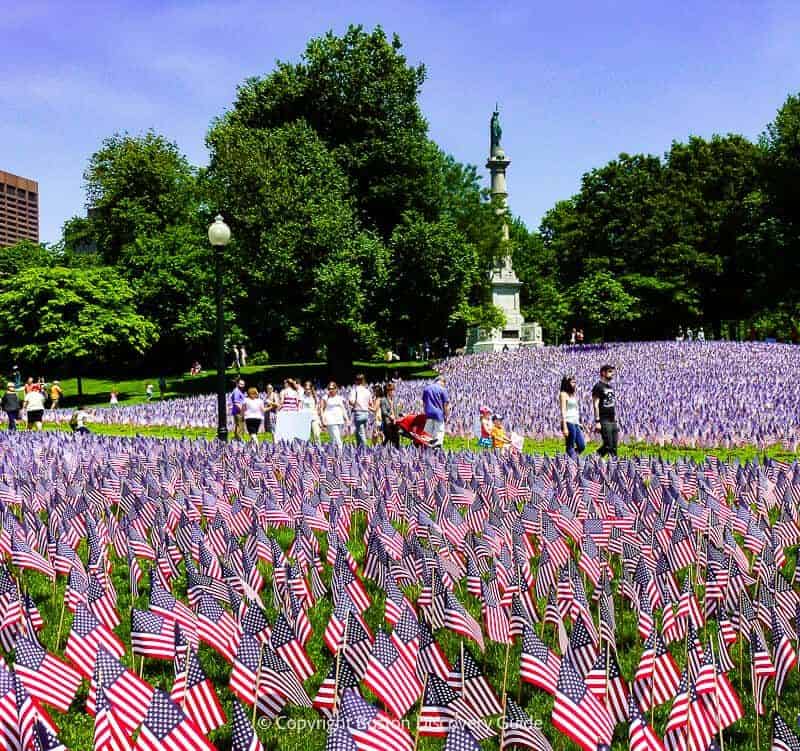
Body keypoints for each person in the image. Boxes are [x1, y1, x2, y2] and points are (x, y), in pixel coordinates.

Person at [592, 364, 618, 458]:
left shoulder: (609, 388)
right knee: (608, 446)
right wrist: (597, 421)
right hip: (604, 420)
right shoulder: (598, 387)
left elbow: (611, 404)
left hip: (612, 420)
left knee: (614, 448)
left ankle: (614, 467)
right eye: (610, 371)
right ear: (603, 373)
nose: (612, 374)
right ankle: (592, 459)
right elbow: (595, 405)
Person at [559, 375, 585, 458]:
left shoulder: (573, 395)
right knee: (570, 445)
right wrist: (564, 426)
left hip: (575, 422)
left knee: (581, 445)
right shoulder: (563, 394)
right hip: (568, 422)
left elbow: (576, 410)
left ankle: (569, 459)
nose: (575, 384)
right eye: (573, 382)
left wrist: (579, 423)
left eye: (575, 382)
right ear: (567, 383)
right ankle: (572, 462)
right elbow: (563, 410)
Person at [422, 376, 449, 448]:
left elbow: (424, 403)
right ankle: (436, 450)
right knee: (438, 433)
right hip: (439, 414)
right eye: (444, 383)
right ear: (442, 381)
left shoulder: (426, 389)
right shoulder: (443, 389)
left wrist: (426, 412)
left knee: (428, 433)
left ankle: (425, 448)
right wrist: (446, 415)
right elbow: (445, 405)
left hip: (428, 413)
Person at [321, 381, 347, 449]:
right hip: (330, 420)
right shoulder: (325, 398)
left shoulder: (340, 398)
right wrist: (323, 419)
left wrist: (347, 418)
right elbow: (321, 409)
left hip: (339, 419)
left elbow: (343, 408)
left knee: (333, 438)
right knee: (337, 438)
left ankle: (333, 452)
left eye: (332, 388)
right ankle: (340, 453)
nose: (331, 390)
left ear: (336, 389)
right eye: (329, 388)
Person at [348, 374, 371, 447]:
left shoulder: (354, 390)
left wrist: (355, 404)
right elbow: (370, 403)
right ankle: (358, 447)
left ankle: (365, 448)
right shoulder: (367, 391)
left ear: (356, 381)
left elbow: (351, 401)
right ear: (363, 381)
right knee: (359, 430)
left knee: (361, 432)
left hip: (358, 413)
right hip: (366, 413)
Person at [379, 382, 400, 448]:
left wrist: (399, 415)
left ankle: (395, 450)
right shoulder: (383, 400)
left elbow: (395, 410)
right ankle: (382, 449)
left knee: (396, 438)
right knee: (390, 437)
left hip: (395, 422)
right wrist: (390, 416)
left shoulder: (394, 400)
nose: (392, 392)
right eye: (391, 390)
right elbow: (383, 411)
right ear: (387, 391)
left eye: (393, 390)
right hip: (388, 422)